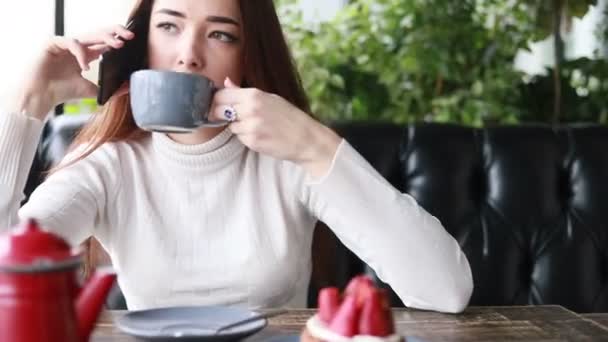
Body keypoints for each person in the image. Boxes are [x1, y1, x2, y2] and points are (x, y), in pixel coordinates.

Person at [0, 0, 473, 313]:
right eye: (168, 26)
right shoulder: (108, 164)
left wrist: (314, 146)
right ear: (141, 45)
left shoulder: (290, 155)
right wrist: (28, 103)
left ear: (250, 55)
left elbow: (445, 291)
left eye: (220, 35)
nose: (187, 55)